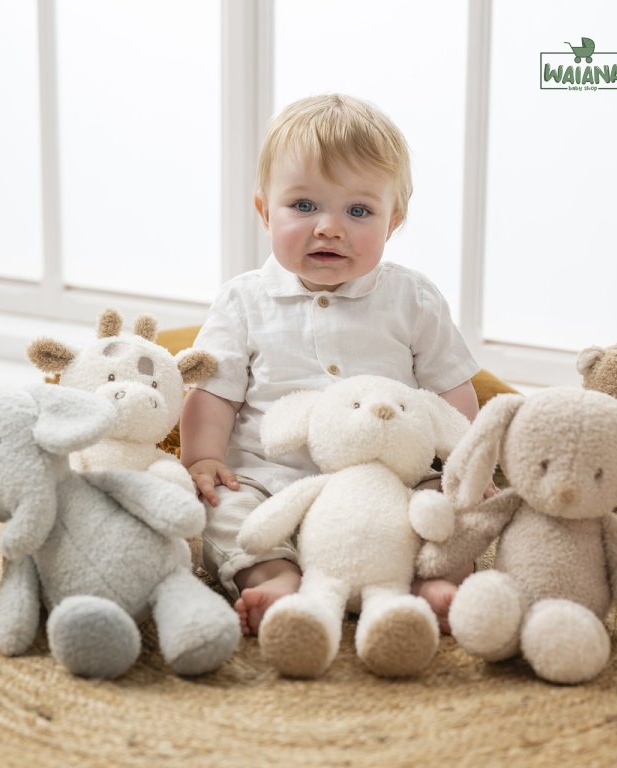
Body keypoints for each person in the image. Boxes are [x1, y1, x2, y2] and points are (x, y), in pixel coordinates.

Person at [180, 93, 482, 636]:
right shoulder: (244, 300)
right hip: (273, 481)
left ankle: (429, 584)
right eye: (303, 206)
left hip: (392, 482)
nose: (328, 227)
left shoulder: (412, 299)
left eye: (358, 211)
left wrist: (465, 466)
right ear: (264, 212)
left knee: (448, 512)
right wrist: (202, 458)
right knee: (224, 509)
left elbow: (451, 390)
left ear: (392, 222)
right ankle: (276, 577)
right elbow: (213, 393)